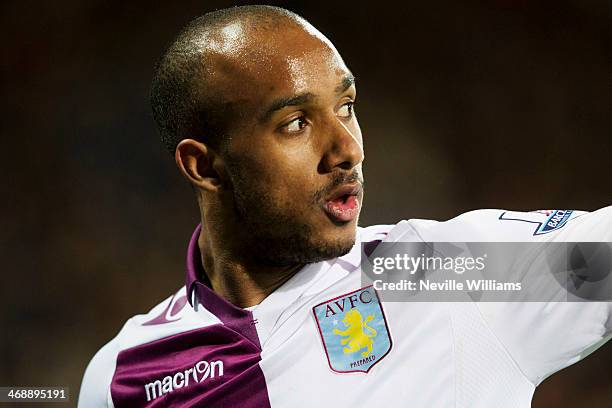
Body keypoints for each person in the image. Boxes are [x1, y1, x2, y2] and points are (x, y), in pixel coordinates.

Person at [78, 5, 612, 407]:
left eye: (346, 107)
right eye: (295, 124)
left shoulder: (446, 273)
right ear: (204, 166)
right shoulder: (122, 377)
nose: (347, 149)